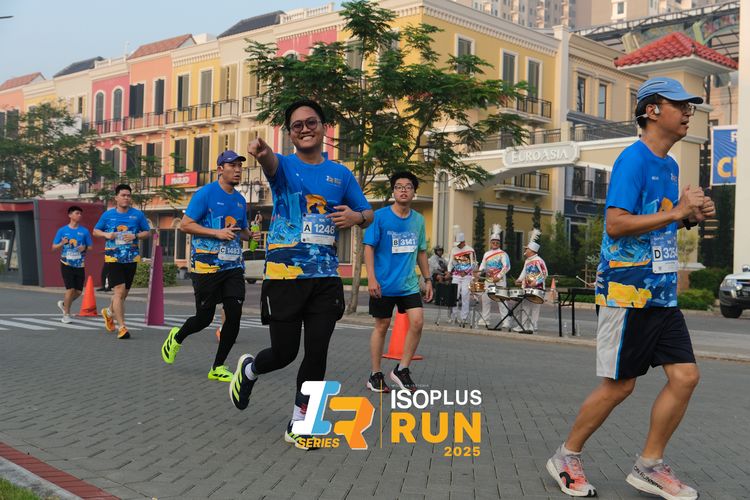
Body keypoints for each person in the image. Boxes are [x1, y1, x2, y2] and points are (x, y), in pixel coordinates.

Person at [546, 77, 715, 500]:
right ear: (652, 110)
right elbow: (616, 224)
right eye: (680, 104)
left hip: (661, 293)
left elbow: (658, 220)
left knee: (686, 377)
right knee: (619, 385)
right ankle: (566, 456)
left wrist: (690, 216)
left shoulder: (669, 166)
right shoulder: (633, 160)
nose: (688, 112)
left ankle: (649, 465)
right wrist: (677, 212)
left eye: (691, 106)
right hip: (627, 292)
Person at [228, 99, 373, 450]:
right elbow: (269, 161)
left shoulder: (341, 174)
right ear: (290, 134)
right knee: (284, 353)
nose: (305, 129)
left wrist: (357, 217)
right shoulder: (284, 166)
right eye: (297, 125)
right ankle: (250, 370)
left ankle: (301, 424)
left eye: (311, 122)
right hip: (285, 276)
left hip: (325, 278)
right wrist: (262, 151)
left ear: (323, 127)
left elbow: (367, 212)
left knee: (317, 352)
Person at [161, 150, 261, 382]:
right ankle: (177, 337)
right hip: (206, 267)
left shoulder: (240, 200)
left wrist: (251, 233)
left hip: (232, 266)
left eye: (240, 166)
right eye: (232, 165)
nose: (238, 170)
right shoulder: (205, 194)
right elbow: (186, 225)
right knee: (204, 318)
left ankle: (218, 366)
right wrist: (216, 233)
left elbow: (241, 232)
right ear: (220, 169)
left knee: (234, 314)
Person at [364, 172, 433, 393]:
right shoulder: (379, 217)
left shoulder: (418, 220)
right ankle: (375, 375)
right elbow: (369, 247)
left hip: (408, 284)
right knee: (382, 325)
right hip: (383, 283)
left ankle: (402, 369)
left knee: (418, 322)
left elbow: (421, 252)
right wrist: (371, 278)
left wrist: (427, 279)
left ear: (414, 192)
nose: (403, 190)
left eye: (408, 186)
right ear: (393, 191)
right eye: (399, 186)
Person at [93, 184, 151, 339]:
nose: (126, 198)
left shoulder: (137, 215)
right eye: (123, 195)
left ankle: (108, 312)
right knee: (119, 291)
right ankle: (122, 327)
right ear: (116, 198)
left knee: (123, 294)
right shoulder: (108, 215)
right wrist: (106, 235)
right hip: (113, 257)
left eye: (128, 195)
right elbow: (95, 231)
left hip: (131, 258)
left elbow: (147, 232)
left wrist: (135, 236)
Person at [52, 206, 93, 323]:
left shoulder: (84, 231)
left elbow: (90, 247)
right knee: (70, 289)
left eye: (80, 214)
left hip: (79, 264)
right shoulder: (62, 231)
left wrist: (84, 247)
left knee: (78, 292)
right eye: (77, 213)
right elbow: (54, 247)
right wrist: (62, 243)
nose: (79, 215)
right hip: (66, 263)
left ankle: (64, 304)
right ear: (70, 215)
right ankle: (66, 314)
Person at [477, 224, 510, 329]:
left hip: (499, 280)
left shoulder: (503, 254)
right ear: (490, 243)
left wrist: (499, 276)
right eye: (493, 242)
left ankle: (506, 321)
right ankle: (485, 319)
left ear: (499, 243)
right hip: (488, 280)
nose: (495, 244)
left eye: (497, 242)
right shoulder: (486, 254)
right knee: (485, 299)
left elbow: (507, 266)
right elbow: (482, 265)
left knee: (502, 300)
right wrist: (478, 274)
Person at [514, 229, 547, 333]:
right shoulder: (527, 261)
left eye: (527, 249)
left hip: (537, 288)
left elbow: (545, 273)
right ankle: (523, 325)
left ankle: (533, 326)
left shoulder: (539, 261)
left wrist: (536, 282)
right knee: (525, 307)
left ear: (532, 251)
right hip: (527, 288)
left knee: (535, 308)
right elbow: (524, 272)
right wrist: (519, 280)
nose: (525, 250)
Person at [448, 231, 476, 326]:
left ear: (463, 242)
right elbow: (450, 262)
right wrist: (449, 271)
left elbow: (473, 264)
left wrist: (466, 272)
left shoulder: (470, 250)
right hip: (456, 276)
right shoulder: (454, 250)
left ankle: (464, 318)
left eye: (459, 243)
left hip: (466, 277)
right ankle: (454, 317)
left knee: (465, 296)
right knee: (454, 296)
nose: (458, 245)